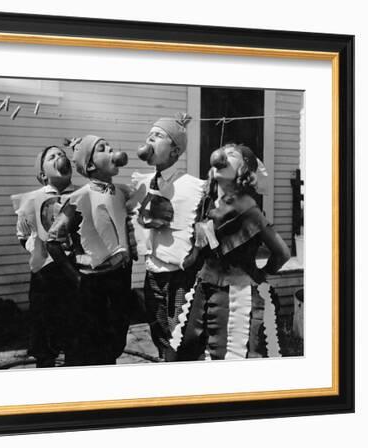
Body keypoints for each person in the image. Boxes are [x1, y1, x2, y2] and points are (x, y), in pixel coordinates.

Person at [176, 143, 290, 360]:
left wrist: (262, 274)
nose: (221, 157)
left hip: (234, 295)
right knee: (188, 349)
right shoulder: (208, 203)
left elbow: (282, 253)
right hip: (203, 288)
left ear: (244, 169)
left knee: (227, 355)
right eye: (223, 153)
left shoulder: (248, 208)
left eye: (232, 155)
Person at [46, 135, 135, 366]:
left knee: (114, 341)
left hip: (120, 278)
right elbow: (53, 240)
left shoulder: (120, 192)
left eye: (111, 147)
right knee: (89, 346)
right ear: (91, 164)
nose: (113, 151)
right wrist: (75, 277)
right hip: (93, 284)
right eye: (103, 149)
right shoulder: (82, 195)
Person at [129, 113, 205, 361]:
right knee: (159, 334)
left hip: (181, 277)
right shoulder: (142, 184)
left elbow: (206, 227)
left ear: (175, 151)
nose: (150, 139)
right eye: (149, 135)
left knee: (182, 339)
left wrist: (196, 254)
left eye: (158, 135)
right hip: (152, 274)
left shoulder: (194, 186)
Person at [11, 146, 78, 367]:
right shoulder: (31, 200)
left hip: (76, 271)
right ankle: (45, 364)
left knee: (75, 326)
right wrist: (36, 249)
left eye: (62, 155)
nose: (60, 158)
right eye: (53, 157)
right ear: (42, 175)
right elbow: (22, 233)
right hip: (46, 275)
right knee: (45, 326)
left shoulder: (81, 195)